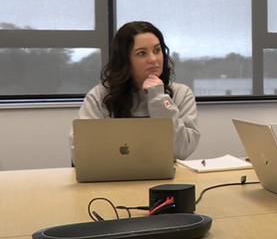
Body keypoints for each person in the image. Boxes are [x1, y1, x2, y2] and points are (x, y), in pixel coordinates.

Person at [69, 21, 201, 162]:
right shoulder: (100, 96)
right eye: (142, 53)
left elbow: (183, 150)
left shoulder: (181, 93)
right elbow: (79, 154)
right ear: (125, 60)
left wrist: (159, 98)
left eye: (157, 50)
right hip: (112, 179)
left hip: (166, 179)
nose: (153, 59)